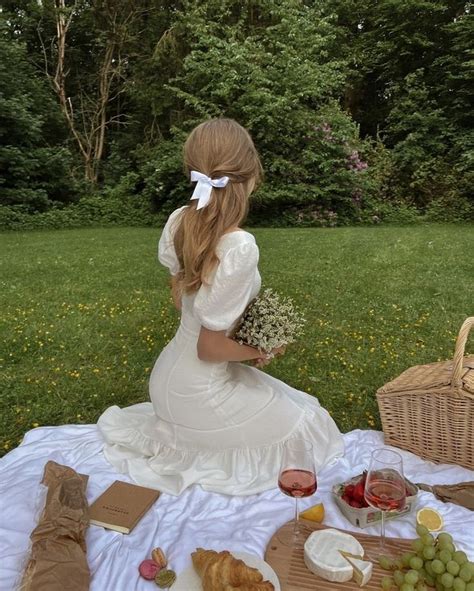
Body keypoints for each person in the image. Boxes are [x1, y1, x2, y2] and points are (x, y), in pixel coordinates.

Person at [98, 118, 344, 495]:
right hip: (198, 389)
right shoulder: (239, 245)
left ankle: (184, 421)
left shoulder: (180, 221)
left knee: (294, 403)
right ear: (251, 176)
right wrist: (261, 347)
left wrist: (239, 333)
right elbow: (210, 348)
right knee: (305, 426)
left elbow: (182, 300)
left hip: (169, 378)